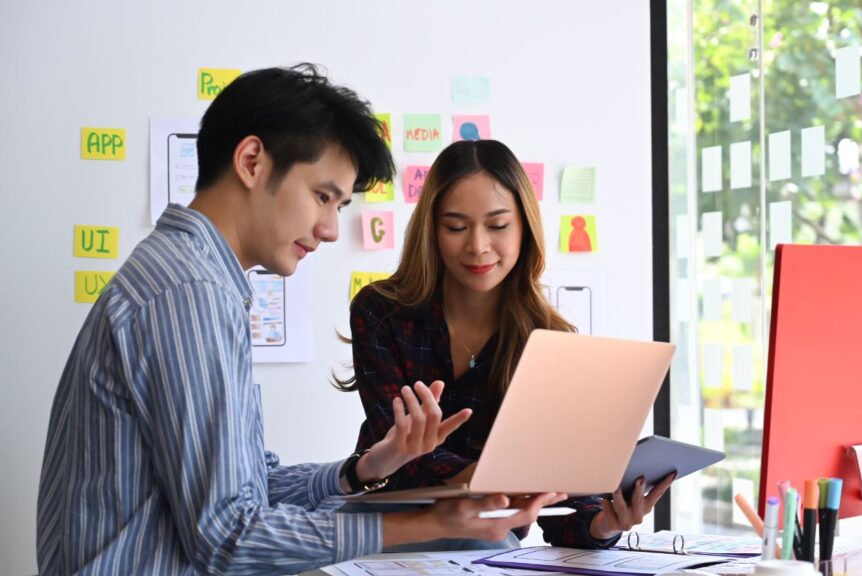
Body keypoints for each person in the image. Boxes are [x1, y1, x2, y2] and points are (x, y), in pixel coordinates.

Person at [37, 65, 562, 576]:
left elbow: (251, 487)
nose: (332, 229)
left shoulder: (197, 280)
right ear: (251, 162)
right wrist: (422, 522)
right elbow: (229, 537)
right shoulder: (189, 293)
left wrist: (363, 469)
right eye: (322, 196)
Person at [342, 139, 673, 550]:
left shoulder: (550, 339)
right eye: (456, 227)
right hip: (385, 527)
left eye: (498, 226)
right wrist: (493, 479)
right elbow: (397, 452)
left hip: (488, 541)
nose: (478, 246)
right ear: (431, 229)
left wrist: (606, 523)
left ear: (524, 229)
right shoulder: (380, 312)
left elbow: (562, 511)